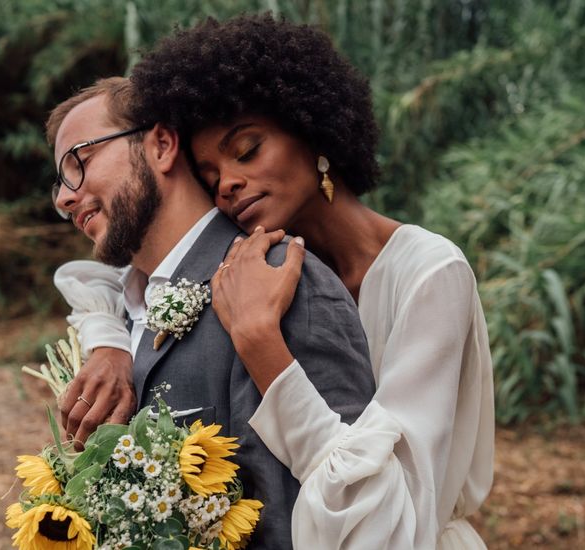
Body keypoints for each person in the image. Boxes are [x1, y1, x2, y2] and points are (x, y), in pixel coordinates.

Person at [56, 15, 494, 549]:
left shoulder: (428, 273)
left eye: (246, 151)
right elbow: (109, 279)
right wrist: (109, 345)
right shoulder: (264, 261)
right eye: (211, 175)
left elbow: (398, 513)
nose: (229, 184)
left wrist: (260, 340)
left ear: (313, 130)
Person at [48, 76, 376, 549]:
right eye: (58, 181)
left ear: (160, 144)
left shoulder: (278, 279)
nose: (64, 196)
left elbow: (346, 506)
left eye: (79, 161)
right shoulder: (120, 310)